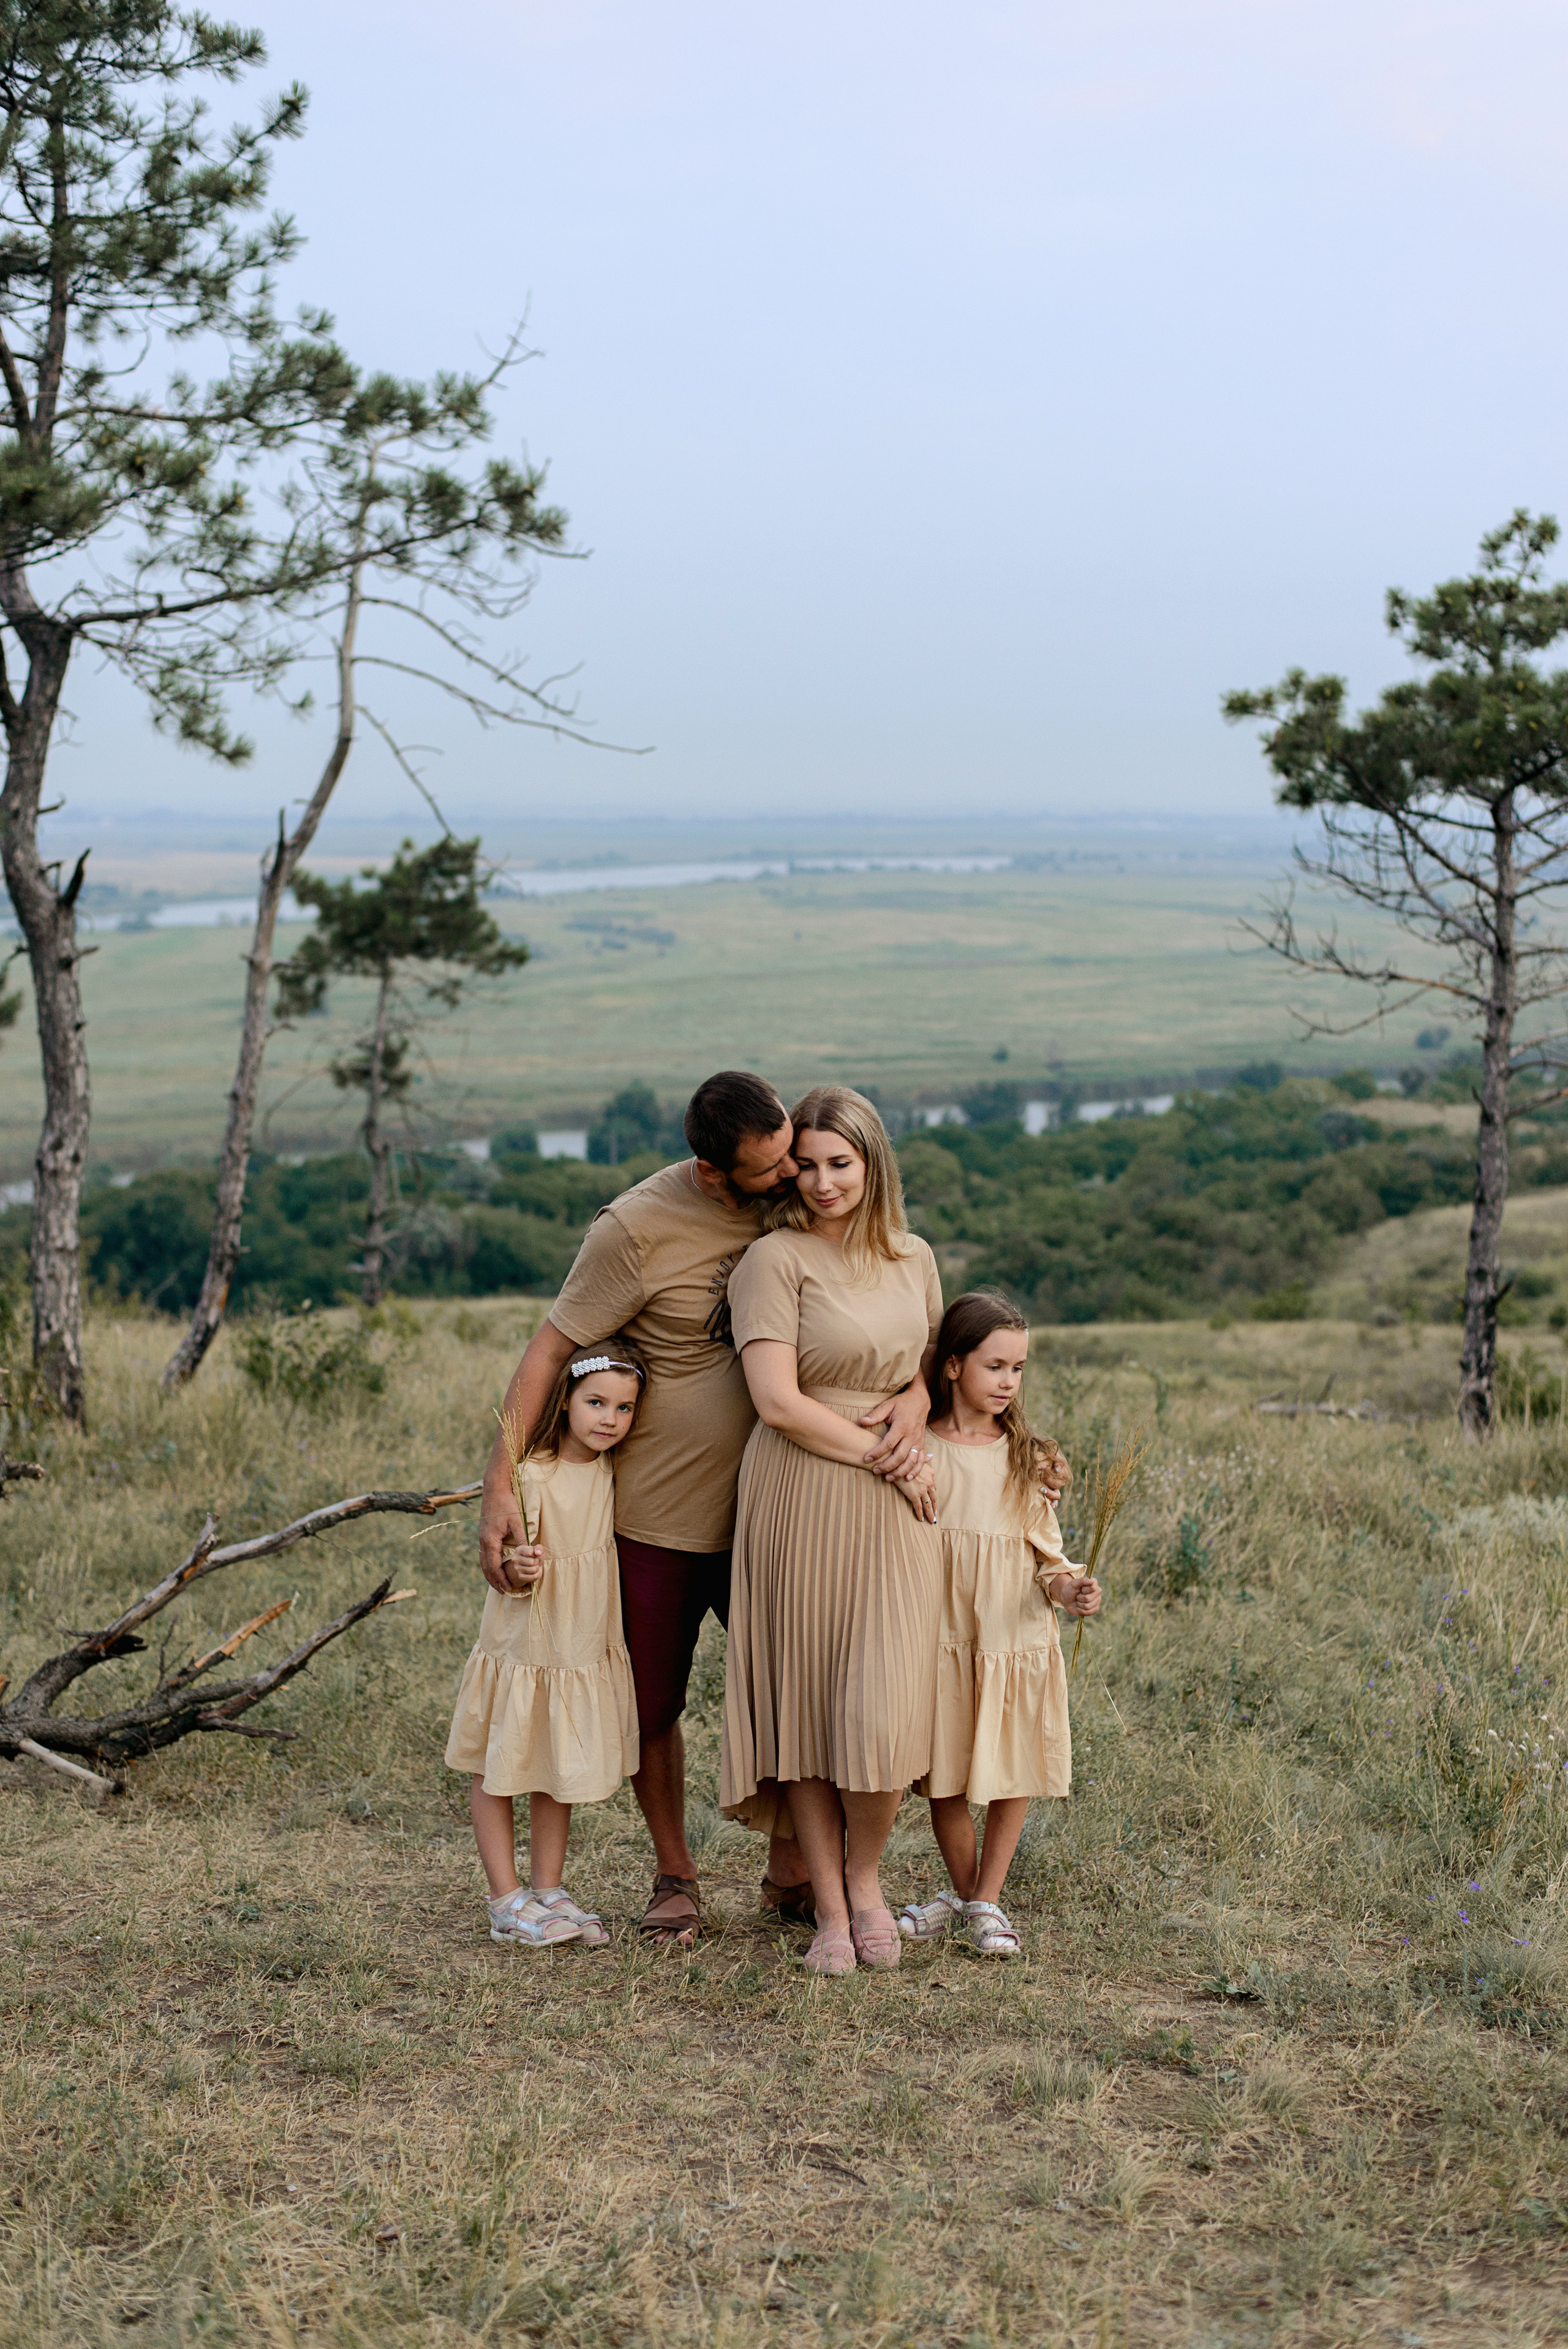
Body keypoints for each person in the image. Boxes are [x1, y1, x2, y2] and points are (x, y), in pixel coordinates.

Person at [477, 1070, 933, 1948]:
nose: (796, 1180)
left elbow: (898, 1313)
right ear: (715, 1171)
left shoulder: (806, 1199)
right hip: (664, 1512)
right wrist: (501, 1481)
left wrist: (918, 1404)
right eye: (773, 1172)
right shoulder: (634, 1229)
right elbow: (549, 1351)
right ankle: (675, 1873)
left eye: (799, 1159)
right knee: (653, 1702)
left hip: (799, 1507)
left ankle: (795, 1868)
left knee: (813, 1686)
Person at [720, 1085, 945, 1975]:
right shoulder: (773, 1261)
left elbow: (930, 1361)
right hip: (803, 1484)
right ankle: (826, 1903)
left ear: (872, 1161)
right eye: (805, 1164)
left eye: (839, 1163)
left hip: (896, 1495)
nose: (820, 1181)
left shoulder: (913, 1254)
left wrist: (920, 1407)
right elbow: (776, 1402)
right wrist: (883, 1452)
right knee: (809, 1704)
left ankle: (866, 1879)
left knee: (882, 1705)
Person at [899, 1290, 1101, 1959]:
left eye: (1018, 1368)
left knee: (1009, 1771)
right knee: (945, 1776)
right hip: (942, 1638)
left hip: (1013, 1637)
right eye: (995, 1366)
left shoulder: (1028, 1458)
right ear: (952, 1366)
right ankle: (966, 1898)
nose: (1008, 1382)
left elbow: (1048, 1556)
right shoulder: (919, 1445)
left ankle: (985, 1899)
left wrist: (1070, 1588)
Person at [447, 1341, 648, 1948]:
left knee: (554, 1766)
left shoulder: (614, 1471)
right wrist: (518, 1562)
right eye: (595, 1403)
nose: (609, 1419)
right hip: (527, 1646)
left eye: (623, 1407)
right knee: (499, 1766)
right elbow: (503, 1557)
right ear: (565, 1401)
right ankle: (505, 1899)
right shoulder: (530, 1475)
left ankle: (547, 1889)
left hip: (577, 1645)